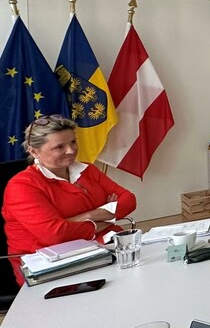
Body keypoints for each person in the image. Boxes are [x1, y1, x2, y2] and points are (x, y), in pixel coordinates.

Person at [2, 115, 136, 285]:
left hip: (103, 249)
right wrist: (106, 218)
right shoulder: (22, 186)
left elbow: (129, 200)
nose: (71, 150)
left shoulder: (88, 170)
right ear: (34, 151)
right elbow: (56, 235)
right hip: (50, 267)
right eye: (60, 147)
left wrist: (80, 219)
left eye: (73, 142)